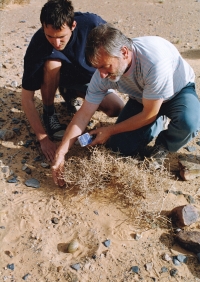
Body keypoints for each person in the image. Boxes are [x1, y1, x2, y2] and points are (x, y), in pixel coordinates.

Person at [52, 23, 200, 186]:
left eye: (105, 66)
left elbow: (148, 115)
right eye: (97, 67)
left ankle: (164, 145)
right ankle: (158, 120)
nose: (101, 74)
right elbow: (84, 114)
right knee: (119, 147)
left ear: (124, 52)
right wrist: (62, 151)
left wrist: (110, 130)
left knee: (190, 121)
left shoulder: (154, 61)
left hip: (177, 92)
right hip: (143, 99)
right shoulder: (102, 74)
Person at [21, 1, 124, 162]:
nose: (56, 43)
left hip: (89, 79)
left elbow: (120, 52)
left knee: (116, 109)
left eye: (61, 37)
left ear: (73, 25)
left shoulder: (93, 25)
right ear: (43, 27)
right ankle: (49, 112)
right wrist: (43, 139)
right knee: (52, 63)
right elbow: (27, 97)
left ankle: (71, 92)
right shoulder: (38, 43)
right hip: (59, 76)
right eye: (50, 36)